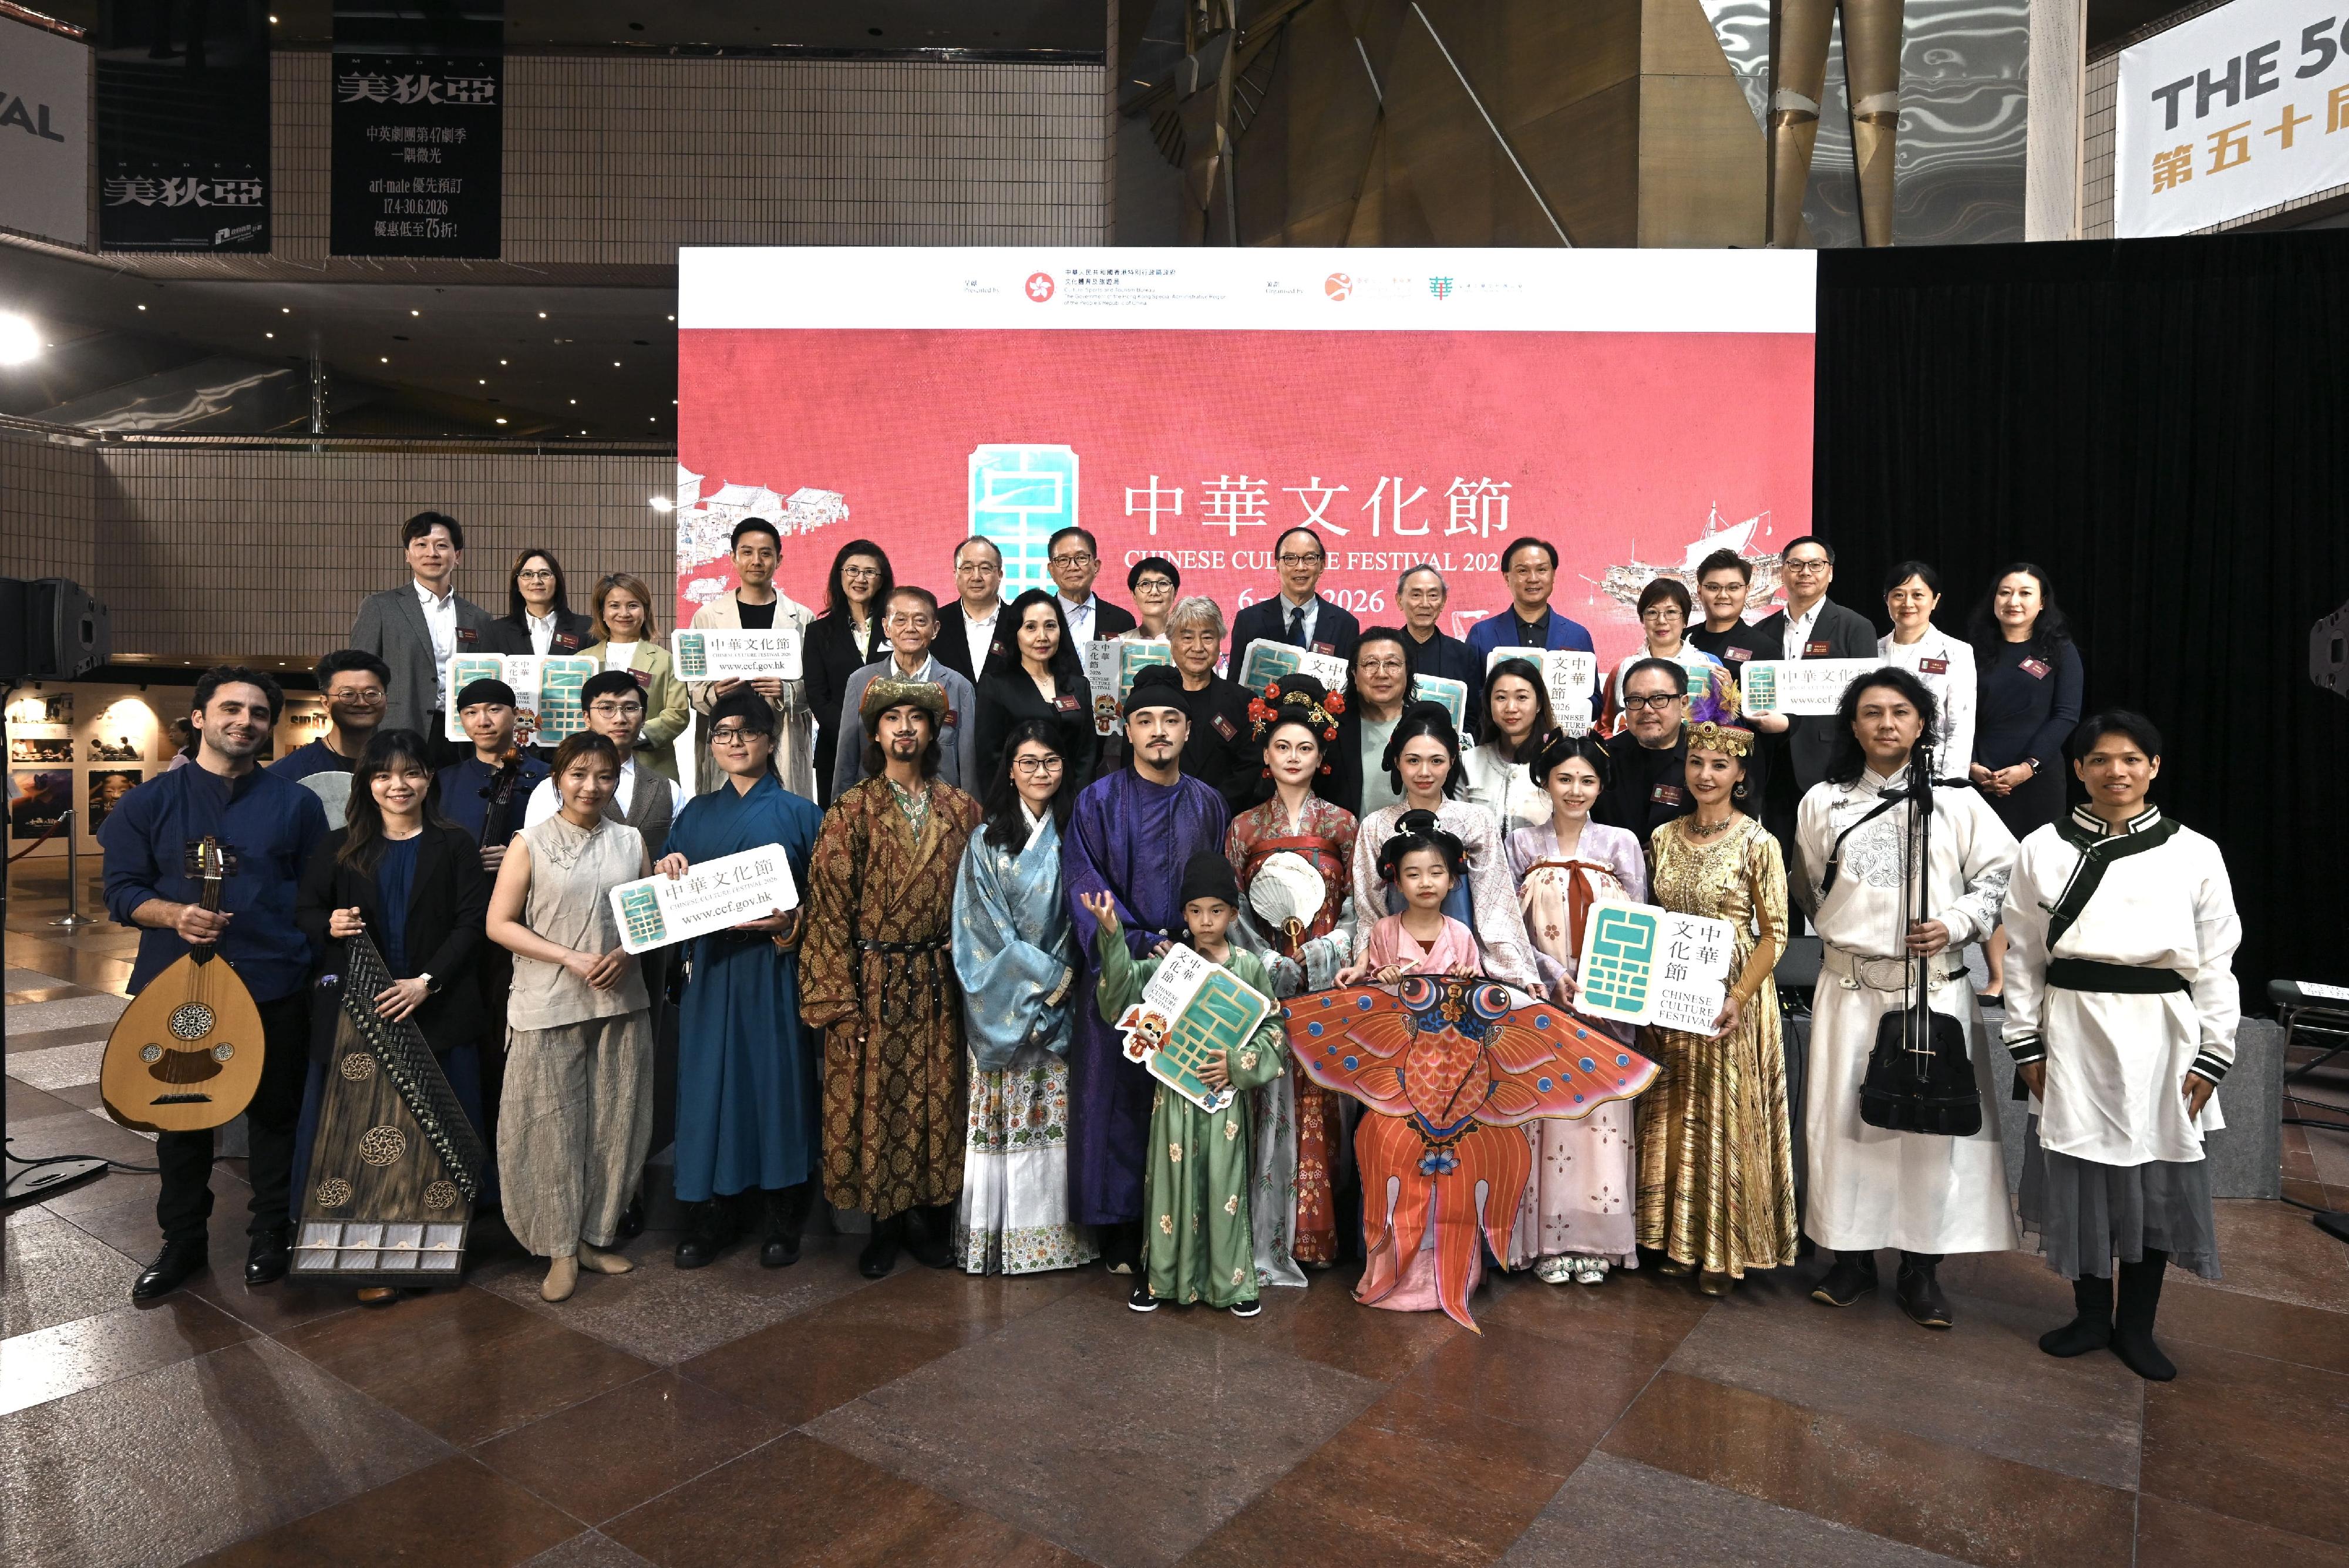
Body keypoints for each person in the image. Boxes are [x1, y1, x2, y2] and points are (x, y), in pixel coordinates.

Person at [2004, 712, 2238, 1382]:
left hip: (2163, 1033)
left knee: (2154, 1181)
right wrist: (2024, 1041)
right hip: (2071, 1027)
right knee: (2080, 1173)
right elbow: (2022, 953)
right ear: (2078, 769)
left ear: (2153, 768)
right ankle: (2088, 1318)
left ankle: (2136, 1327)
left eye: (2132, 759)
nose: (2117, 771)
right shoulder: (2041, 847)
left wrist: (2215, 1050)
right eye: (2101, 759)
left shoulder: (2195, 851)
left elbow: (2217, 959)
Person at [1792, 669, 2018, 1328]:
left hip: (1934, 991)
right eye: (1871, 712)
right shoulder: (1822, 802)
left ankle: (1922, 1269)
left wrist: (1957, 923)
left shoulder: (1959, 803)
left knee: (1928, 1135)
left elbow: (2004, 876)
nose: (1886, 723)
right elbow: (1807, 887)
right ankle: (1850, 1259)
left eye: (1900, 711)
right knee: (1844, 1128)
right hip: (1849, 989)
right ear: (1852, 725)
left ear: (1922, 724)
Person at [103, 668, 329, 1302]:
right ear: (200, 717)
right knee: (181, 1120)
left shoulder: (296, 805)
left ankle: (271, 1233)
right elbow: (121, 891)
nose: (245, 721)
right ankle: (182, 1242)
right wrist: (172, 914)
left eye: (258, 713)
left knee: (275, 1115)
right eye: (231, 708)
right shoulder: (148, 802)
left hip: (273, 979)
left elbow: (316, 893)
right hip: (179, 988)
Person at [293, 729, 495, 1305]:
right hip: (363, 1013)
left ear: (429, 780)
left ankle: (431, 1248)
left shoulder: (454, 844)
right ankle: (366, 1254)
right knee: (364, 1136)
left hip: (438, 1007)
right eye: (384, 775)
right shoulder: (340, 846)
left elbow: (472, 924)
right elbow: (305, 910)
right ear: (367, 782)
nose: (397, 785)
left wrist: (425, 983)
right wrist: (328, 924)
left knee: (436, 1134)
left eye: (411, 773)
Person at [800, 679, 984, 1278]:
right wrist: (840, 1003)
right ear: (875, 733)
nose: (905, 728)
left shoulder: (962, 810)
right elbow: (828, 912)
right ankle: (882, 1226)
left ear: (932, 732)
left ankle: (928, 1221)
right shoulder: (850, 811)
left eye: (916, 718)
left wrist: (969, 943)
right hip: (873, 978)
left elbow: (981, 897)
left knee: (937, 1097)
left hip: (938, 979)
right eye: (892, 718)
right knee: (878, 1100)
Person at [1064, 666, 1231, 1273]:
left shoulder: (1209, 803)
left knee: (1181, 1096)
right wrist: (1133, 940)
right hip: (1123, 970)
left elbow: (1219, 888)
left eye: (1170, 720)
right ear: (1127, 730)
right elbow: (1084, 883)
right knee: (1116, 1098)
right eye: (1145, 721)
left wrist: (1201, 943)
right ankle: (1118, 1228)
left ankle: (1183, 1222)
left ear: (1187, 730)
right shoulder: (1097, 802)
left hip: (1192, 968)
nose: (1158, 731)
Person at [653, 689, 824, 1271]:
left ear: (770, 741)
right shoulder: (695, 813)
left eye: (747, 732)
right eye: (722, 733)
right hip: (708, 971)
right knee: (708, 1088)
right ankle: (711, 1215)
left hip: (771, 969)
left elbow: (830, 905)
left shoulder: (802, 814)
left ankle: (783, 1216)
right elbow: (669, 889)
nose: (734, 742)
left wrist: (791, 922)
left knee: (776, 1085)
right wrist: (667, 868)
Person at [486, 732, 655, 1304]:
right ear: (558, 778)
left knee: (616, 1124)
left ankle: (591, 1237)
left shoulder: (631, 840)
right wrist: (570, 958)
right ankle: (558, 1247)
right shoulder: (529, 842)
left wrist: (626, 952)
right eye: (578, 774)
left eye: (604, 776)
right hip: (547, 1005)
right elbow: (499, 924)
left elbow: (648, 919)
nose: (591, 787)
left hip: (620, 1003)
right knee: (548, 1129)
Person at [1084, 853, 1288, 1315]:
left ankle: (1232, 1285)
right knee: (1169, 1185)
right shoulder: (1171, 963)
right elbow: (1119, 998)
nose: (1205, 921)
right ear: (1184, 914)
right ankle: (1161, 1278)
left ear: (1233, 914)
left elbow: (1274, 1032)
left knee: (1223, 1185)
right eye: (1195, 911)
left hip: (1223, 1099)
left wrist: (1236, 1064)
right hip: (1173, 1096)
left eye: (1216, 910)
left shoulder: (1249, 967)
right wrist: (1112, 933)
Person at [1638, 715, 1797, 1296]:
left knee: (1724, 1115)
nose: (1705, 775)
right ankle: (1675, 1240)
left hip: (1731, 993)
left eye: (1719, 766)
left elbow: (1775, 935)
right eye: (1696, 763)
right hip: (1673, 987)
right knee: (1675, 1110)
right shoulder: (1662, 837)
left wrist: (1737, 996)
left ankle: (1721, 1251)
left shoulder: (1759, 843)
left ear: (1740, 776)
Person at [951, 720, 1095, 1275]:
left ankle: (1061, 1240)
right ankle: (1003, 1241)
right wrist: (1045, 979)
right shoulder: (985, 841)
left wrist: (1063, 979)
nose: (1040, 772)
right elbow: (980, 930)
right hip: (1009, 1005)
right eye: (1028, 762)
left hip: (1064, 1001)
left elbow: (1085, 917)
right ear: (1010, 771)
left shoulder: (1078, 835)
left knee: (1059, 1120)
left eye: (1051, 761)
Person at [1224, 674, 1355, 1278]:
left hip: (1327, 982)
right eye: (1283, 747)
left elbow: (1358, 908)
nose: (1293, 757)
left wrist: (1325, 950)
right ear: (1266, 753)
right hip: (1267, 982)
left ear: (1321, 755)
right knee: (1268, 1097)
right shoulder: (1245, 827)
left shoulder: (1343, 824)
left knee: (1323, 1100)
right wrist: (1268, 961)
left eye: (1305, 747)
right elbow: (1229, 910)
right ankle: (1270, 1231)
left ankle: (1319, 1237)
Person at [1507, 731, 1647, 1286]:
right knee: (1544, 1117)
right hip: (1544, 998)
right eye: (1564, 778)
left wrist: (1604, 983)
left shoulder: (1621, 844)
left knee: (1600, 1121)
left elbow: (1640, 923)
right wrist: (1552, 974)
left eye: (1587, 780)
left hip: (1605, 1004)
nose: (1575, 790)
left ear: (1601, 787)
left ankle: (1596, 1238)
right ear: (1545, 781)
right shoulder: (1521, 844)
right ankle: (1546, 1240)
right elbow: (1508, 929)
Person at [1348, 704, 1540, 990]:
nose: (1424, 772)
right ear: (1397, 761)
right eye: (1413, 761)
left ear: (1452, 760)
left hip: (1462, 965)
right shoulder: (1375, 825)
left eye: (1436, 761)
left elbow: (1495, 907)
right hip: (1397, 968)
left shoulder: (1477, 821)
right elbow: (1369, 910)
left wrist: (1517, 974)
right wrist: (1365, 966)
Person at [1967, 563, 2084, 999]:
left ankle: (2036, 971)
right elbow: (1958, 714)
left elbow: (2066, 716)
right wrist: (1971, 765)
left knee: (2037, 877)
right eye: (2004, 592)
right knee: (1987, 877)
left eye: (2024, 593)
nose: (2013, 601)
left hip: (2038, 778)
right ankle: (1997, 977)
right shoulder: (1973, 650)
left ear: (2041, 602)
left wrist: (2028, 767)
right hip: (1981, 778)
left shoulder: (2059, 651)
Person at [685, 517, 819, 799]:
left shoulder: (802, 618)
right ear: (733, 558)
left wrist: (787, 691)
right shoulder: (706, 617)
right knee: (728, 811)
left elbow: (817, 685)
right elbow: (692, 685)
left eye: (765, 553)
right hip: (729, 731)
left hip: (782, 731)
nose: (756, 561)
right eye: (747, 552)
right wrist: (714, 692)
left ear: (779, 560)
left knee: (784, 809)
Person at [349, 511, 499, 744]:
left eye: (442, 545)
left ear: (457, 555)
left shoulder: (479, 618)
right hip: (398, 730)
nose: (432, 553)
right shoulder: (380, 607)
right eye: (422, 544)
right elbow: (358, 674)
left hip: (463, 734)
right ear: (407, 555)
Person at [1752, 534, 1876, 802]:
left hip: (1832, 762)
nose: (1805, 572)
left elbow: (1866, 702)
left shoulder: (1856, 627)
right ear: (1782, 572)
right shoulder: (1761, 631)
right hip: (1772, 763)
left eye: (1816, 565)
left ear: (1830, 573)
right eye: (1795, 564)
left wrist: (1790, 723)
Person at [832, 586, 979, 798]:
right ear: (886, 627)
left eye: (920, 621)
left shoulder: (959, 686)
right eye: (900, 620)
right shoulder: (860, 682)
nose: (910, 628)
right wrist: (841, 808)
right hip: (876, 806)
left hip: (940, 808)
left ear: (935, 629)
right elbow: (846, 760)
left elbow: (969, 767)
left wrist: (970, 813)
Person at [523, 672, 686, 857]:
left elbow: (679, 852)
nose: (620, 718)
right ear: (587, 718)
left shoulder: (669, 789)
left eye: (630, 708)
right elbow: (534, 857)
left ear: (643, 719)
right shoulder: (554, 789)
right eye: (607, 708)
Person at [1465, 538, 1598, 723]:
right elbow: (1470, 701)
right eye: (1523, 571)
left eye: (1542, 570)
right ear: (1507, 577)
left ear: (1553, 575)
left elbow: (1595, 702)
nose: (1533, 578)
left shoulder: (1578, 635)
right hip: (1498, 739)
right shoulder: (1482, 634)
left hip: (1558, 739)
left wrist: (1567, 704)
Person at [974, 588, 1098, 785]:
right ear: (1016, 633)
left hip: (1073, 798)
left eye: (1050, 626)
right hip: (1016, 799)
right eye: (1031, 627)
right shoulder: (995, 686)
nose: (1042, 636)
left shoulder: (1079, 685)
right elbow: (990, 759)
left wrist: (1077, 800)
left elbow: (1087, 754)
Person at [580, 573, 691, 788]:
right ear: (602, 612)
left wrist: (631, 735)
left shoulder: (666, 660)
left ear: (645, 611)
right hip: (592, 765)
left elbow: (678, 714)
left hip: (652, 764)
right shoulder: (582, 660)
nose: (624, 613)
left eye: (633, 605)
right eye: (614, 606)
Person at [805, 539, 892, 807]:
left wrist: (883, 735)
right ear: (840, 575)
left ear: (882, 580)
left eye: (870, 572)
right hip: (835, 749)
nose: (860, 579)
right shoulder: (819, 632)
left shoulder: (897, 628)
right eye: (853, 570)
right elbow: (818, 696)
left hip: (892, 750)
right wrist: (853, 735)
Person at [1877, 561, 1977, 785]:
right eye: (1899, 595)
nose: (1908, 603)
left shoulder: (1957, 651)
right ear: (1887, 600)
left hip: (1932, 773)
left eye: (1918, 595)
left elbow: (1960, 725)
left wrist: (1950, 784)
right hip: (1878, 770)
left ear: (1935, 600)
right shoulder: (1871, 651)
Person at [438, 678, 549, 866]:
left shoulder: (548, 777)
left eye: (494, 710)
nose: (483, 722)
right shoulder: (444, 780)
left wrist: (522, 857)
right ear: (461, 721)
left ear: (515, 714)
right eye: (471, 713)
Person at [1165, 594, 1258, 813]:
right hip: (1161, 813)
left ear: (1219, 642)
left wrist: (1212, 807)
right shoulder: (1153, 699)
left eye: (1207, 637)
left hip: (1224, 815)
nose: (1198, 647)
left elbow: (1250, 766)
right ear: (1172, 642)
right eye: (1187, 638)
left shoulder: (1243, 701)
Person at [1595, 658, 1695, 846]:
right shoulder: (1602, 758)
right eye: (1636, 700)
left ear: (1684, 704)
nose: (1647, 709)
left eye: (1659, 699)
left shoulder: (1705, 759)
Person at [1230, 528, 1361, 662]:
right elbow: (1235, 675)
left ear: (1322, 566)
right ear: (1277, 566)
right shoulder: (1248, 621)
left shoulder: (1346, 625)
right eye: (1290, 559)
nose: (1300, 567)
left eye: (1310, 558)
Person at [1608, 577, 1727, 723]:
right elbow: (1607, 725)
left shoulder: (1710, 664)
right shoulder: (1624, 667)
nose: (1661, 621)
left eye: (1671, 612)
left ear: (1685, 620)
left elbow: (1726, 726)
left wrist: (1728, 698)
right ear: (1642, 620)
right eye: (1652, 612)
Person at [1326, 628, 1416, 817]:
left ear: (1407, 671)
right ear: (1354, 673)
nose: (1381, 673)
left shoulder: (1424, 727)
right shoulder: (1330, 728)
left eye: (1392, 663)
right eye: (1370, 664)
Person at [1459, 657, 1555, 832]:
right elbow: (1457, 827)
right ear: (1489, 703)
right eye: (1501, 697)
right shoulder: (1470, 760)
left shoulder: (1559, 761)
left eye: (1522, 697)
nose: (1511, 708)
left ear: (1539, 704)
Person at [271, 650, 389, 782]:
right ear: (326, 703)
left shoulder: (402, 763)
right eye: (348, 694)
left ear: (386, 700)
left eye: (372, 694)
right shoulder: (287, 773)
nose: (362, 703)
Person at [1394, 565, 1484, 705]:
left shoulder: (1463, 654)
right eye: (1416, 595)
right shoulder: (1384, 652)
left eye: (1433, 596)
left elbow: (1472, 712)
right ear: (1400, 600)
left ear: (1443, 602)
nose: (1425, 604)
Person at [1687, 549, 1785, 672]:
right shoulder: (1681, 639)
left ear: (1746, 591)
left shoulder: (1765, 649)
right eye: (1713, 588)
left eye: (1733, 588)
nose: (1723, 595)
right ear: (1700, 591)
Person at [486, 547, 594, 658]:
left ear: (557, 582)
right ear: (517, 584)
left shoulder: (587, 629)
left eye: (544, 574)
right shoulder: (496, 631)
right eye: (527, 574)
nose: (536, 581)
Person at [935, 536, 1008, 685]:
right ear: (955, 574)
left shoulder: (1019, 621)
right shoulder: (936, 623)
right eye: (967, 568)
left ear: (1000, 575)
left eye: (985, 568)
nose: (976, 577)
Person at [1048, 526, 1137, 641]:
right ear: (1052, 570)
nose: (1073, 567)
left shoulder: (1122, 620)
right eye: (1063, 560)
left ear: (1096, 566)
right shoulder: (1038, 618)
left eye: (1081, 558)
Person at [1124, 556, 1181, 642]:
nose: (1154, 592)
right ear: (1134, 595)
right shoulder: (1118, 644)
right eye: (1145, 584)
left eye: (1163, 583)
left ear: (1175, 593)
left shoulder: (1191, 644)